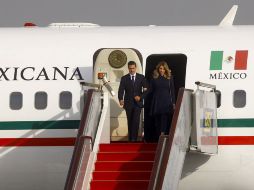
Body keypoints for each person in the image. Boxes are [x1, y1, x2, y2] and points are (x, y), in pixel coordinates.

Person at [118, 61, 148, 141]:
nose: (132, 70)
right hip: (128, 103)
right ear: (128, 68)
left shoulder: (141, 77)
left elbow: (146, 90)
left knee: (136, 121)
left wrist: (140, 97)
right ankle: (130, 139)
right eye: (130, 68)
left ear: (136, 68)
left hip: (138, 104)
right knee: (130, 121)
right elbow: (121, 90)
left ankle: (133, 139)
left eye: (133, 68)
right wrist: (121, 99)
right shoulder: (124, 78)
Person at [149, 61, 175, 141]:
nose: (161, 70)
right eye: (160, 68)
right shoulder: (154, 78)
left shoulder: (169, 78)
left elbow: (172, 91)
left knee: (164, 119)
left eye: (163, 69)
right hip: (156, 101)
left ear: (166, 69)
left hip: (166, 101)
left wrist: (173, 103)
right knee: (157, 121)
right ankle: (158, 137)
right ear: (158, 69)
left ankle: (162, 135)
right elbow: (151, 90)